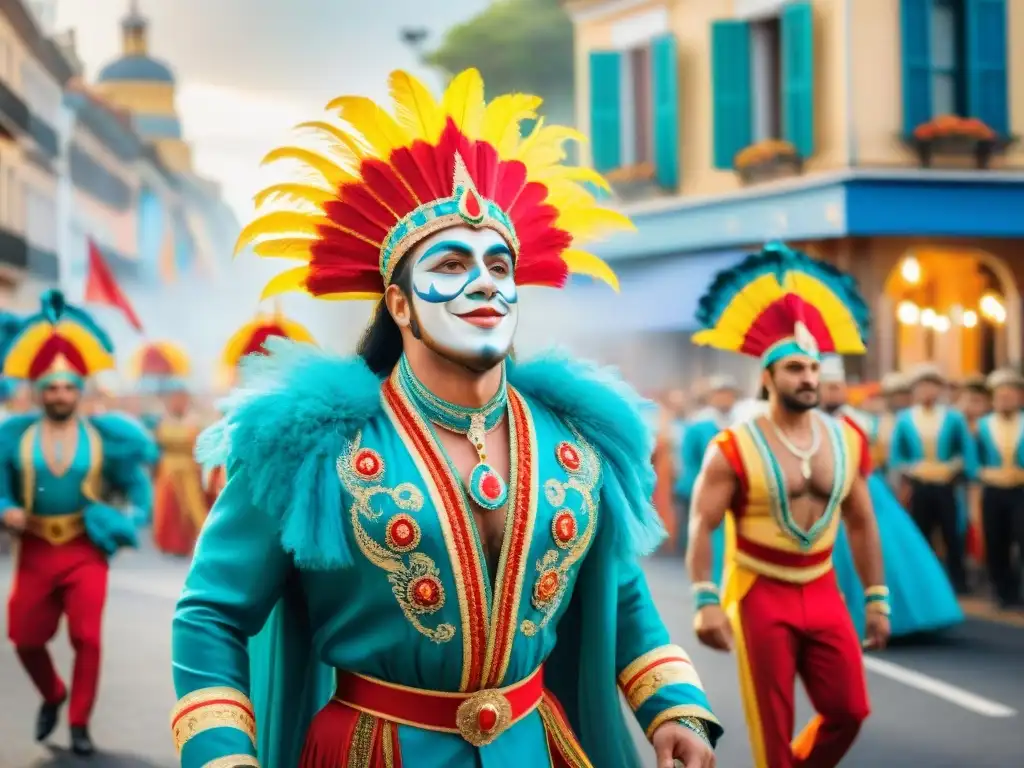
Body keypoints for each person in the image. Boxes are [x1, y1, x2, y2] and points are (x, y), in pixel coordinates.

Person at [169, 68, 722, 768]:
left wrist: (674, 708)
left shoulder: (576, 439)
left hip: (536, 748)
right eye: (452, 263)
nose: (484, 280)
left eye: (499, 264)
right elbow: (212, 612)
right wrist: (222, 755)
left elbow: (619, 588)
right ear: (398, 305)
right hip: (373, 752)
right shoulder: (307, 445)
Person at [686, 243, 888, 768]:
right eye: (795, 368)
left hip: (822, 586)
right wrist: (705, 598)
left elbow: (862, 521)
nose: (809, 378)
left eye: (814, 368)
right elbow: (701, 523)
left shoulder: (847, 439)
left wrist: (877, 597)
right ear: (768, 378)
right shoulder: (733, 445)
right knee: (771, 734)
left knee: (850, 710)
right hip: (760, 589)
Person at [0, 291, 156, 756]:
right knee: (24, 638)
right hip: (34, 549)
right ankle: (53, 693)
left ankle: (79, 723)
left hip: (85, 547)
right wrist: (5, 505)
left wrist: (129, 519)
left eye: (69, 387)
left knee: (87, 636)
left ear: (80, 389)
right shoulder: (14, 436)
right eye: (52, 388)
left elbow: (138, 488)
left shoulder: (107, 436)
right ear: (37, 391)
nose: (61, 395)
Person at [821, 356, 963, 639]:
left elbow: (867, 460)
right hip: (826, 492)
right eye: (829, 387)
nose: (834, 393)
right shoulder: (809, 422)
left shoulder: (854, 421)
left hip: (863, 487)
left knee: (883, 550)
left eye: (838, 387)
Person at [202, 310, 319, 503]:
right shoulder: (231, 411)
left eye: (272, 360)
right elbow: (215, 472)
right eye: (259, 360)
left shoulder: (303, 411)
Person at [890, 364, 978, 594]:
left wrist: (956, 467)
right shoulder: (905, 418)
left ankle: (959, 581)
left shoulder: (953, 418)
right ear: (915, 390)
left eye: (932, 385)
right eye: (922, 386)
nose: (928, 391)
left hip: (946, 485)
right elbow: (896, 455)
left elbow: (965, 451)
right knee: (921, 534)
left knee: (952, 533)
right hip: (919, 486)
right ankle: (925, 583)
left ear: (940, 389)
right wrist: (909, 469)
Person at [132, 341, 210, 556]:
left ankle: (201, 543)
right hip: (167, 469)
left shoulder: (196, 420)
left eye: (181, 397)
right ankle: (170, 544)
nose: (177, 402)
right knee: (167, 509)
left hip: (190, 470)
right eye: (173, 398)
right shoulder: (159, 421)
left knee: (194, 509)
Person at [677, 376, 739, 573]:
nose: (724, 399)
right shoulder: (699, 426)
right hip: (709, 489)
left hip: (737, 492)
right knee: (710, 536)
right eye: (720, 394)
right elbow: (689, 459)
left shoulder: (740, 424)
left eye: (728, 394)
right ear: (712, 397)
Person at [976, 368, 1024, 609]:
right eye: (1001, 395)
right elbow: (972, 457)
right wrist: (981, 472)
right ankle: (1002, 590)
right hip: (993, 490)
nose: (1006, 399)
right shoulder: (983, 425)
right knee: (996, 539)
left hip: (1021, 490)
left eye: (1011, 394)